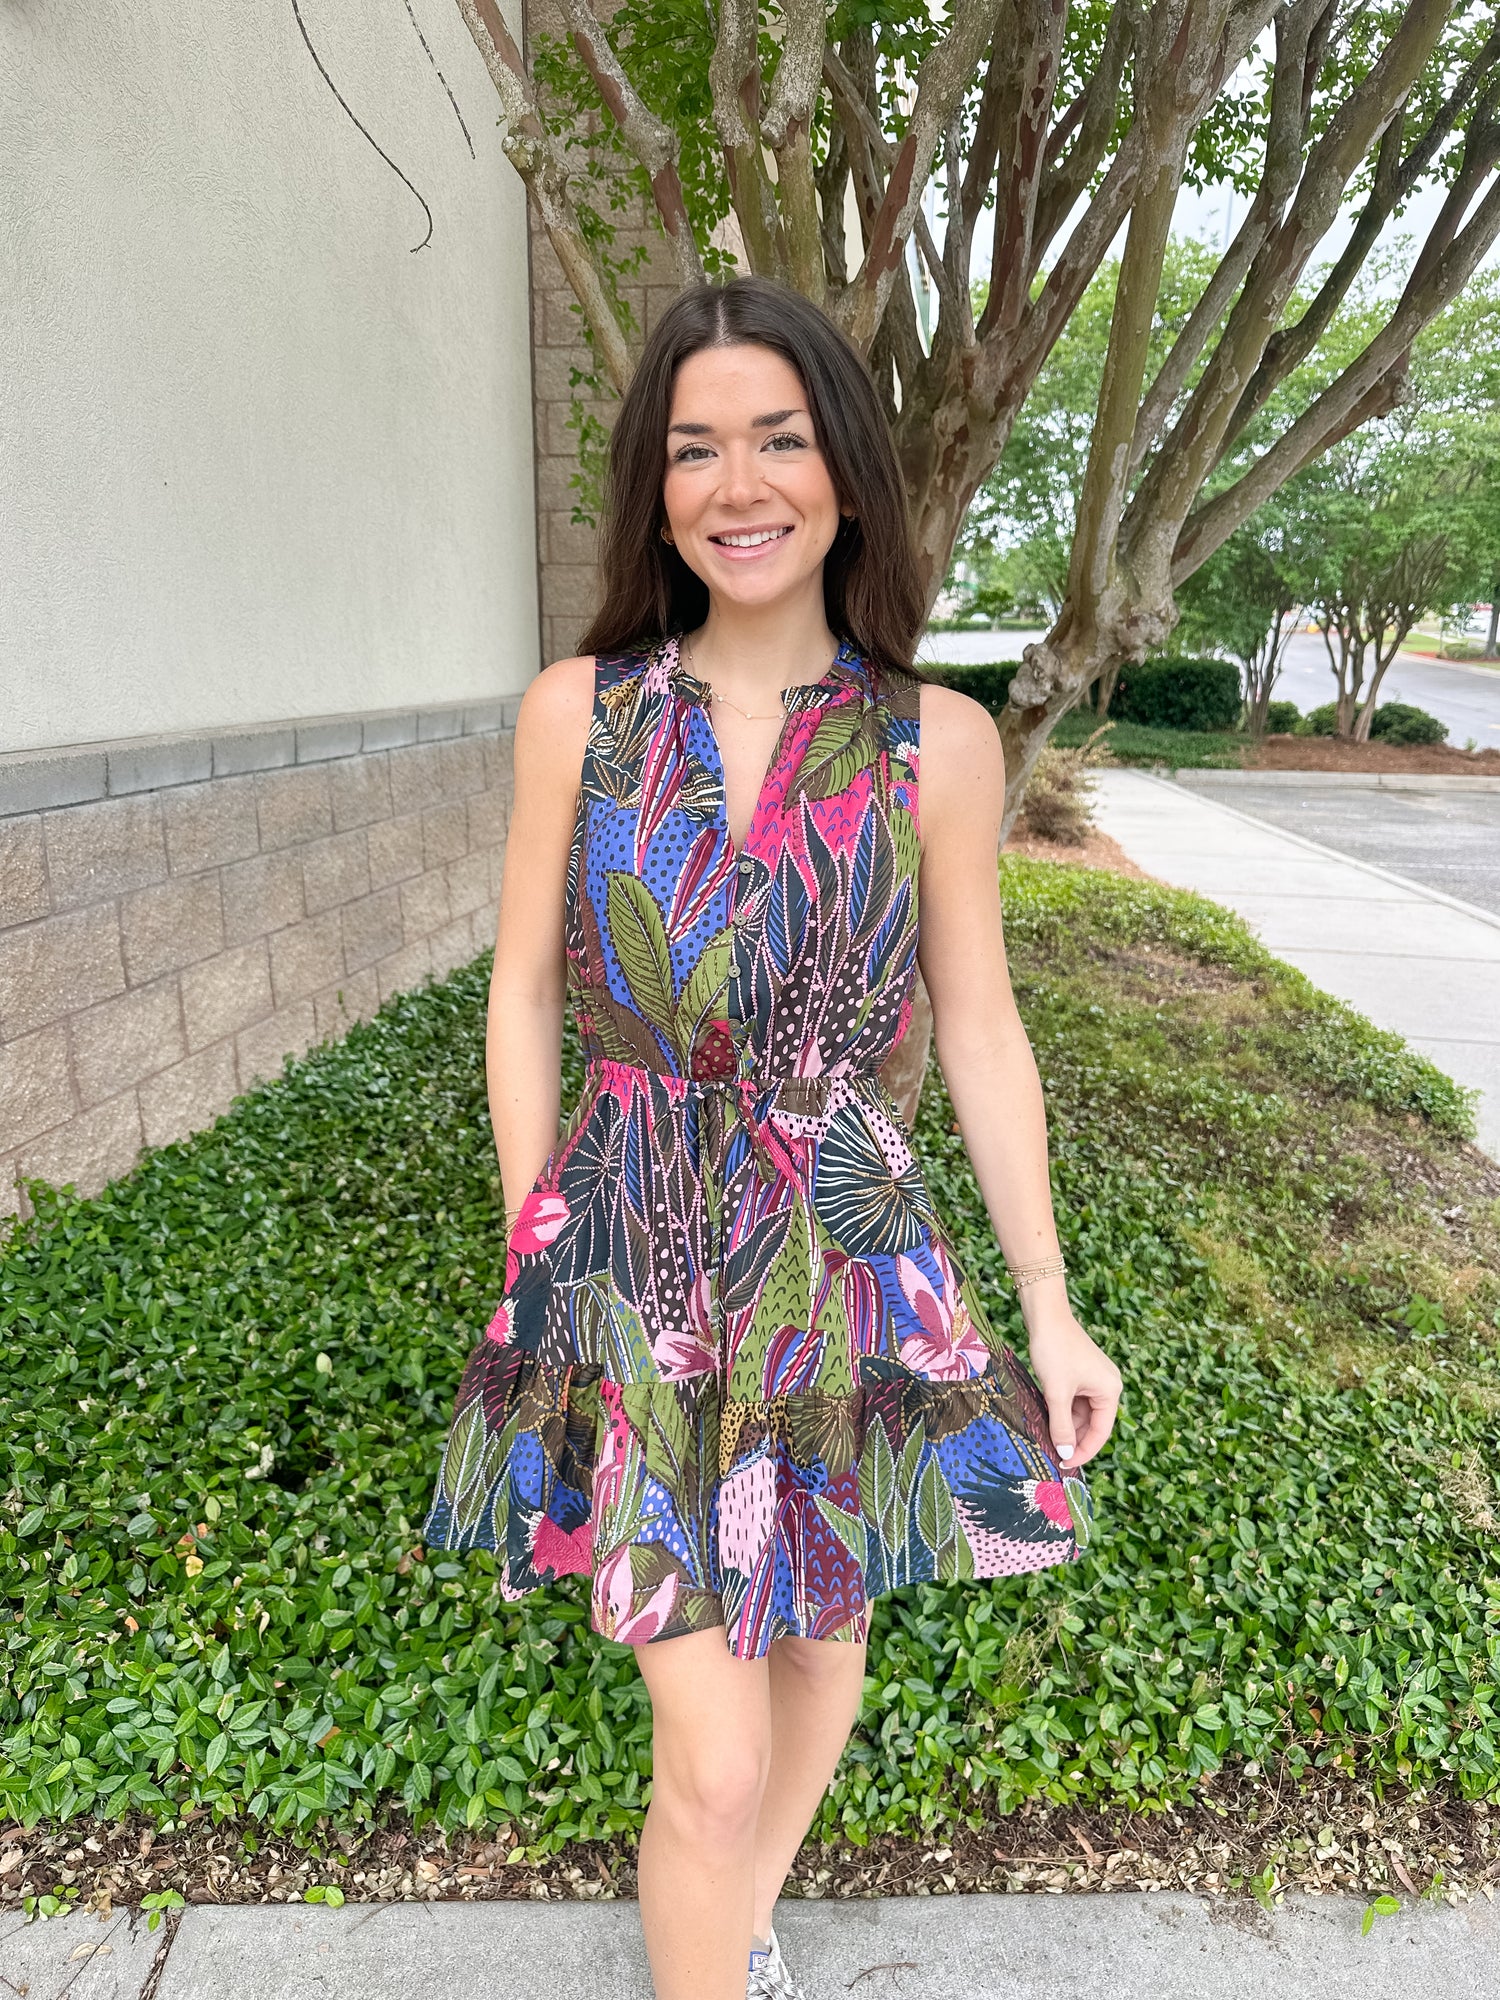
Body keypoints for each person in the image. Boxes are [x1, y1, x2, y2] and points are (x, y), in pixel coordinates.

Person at [422, 275, 1122, 2000]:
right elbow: (522, 989)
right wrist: (535, 1231)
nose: (738, 485)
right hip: (632, 1253)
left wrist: (1048, 1305)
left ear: (848, 475)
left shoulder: (935, 745)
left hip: (839, 1253)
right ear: (657, 494)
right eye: (693, 449)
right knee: (713, 1759)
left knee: (822, 1652)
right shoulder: (579, 715)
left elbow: (980, 1028)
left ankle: (736, 1935)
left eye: (778, 440)